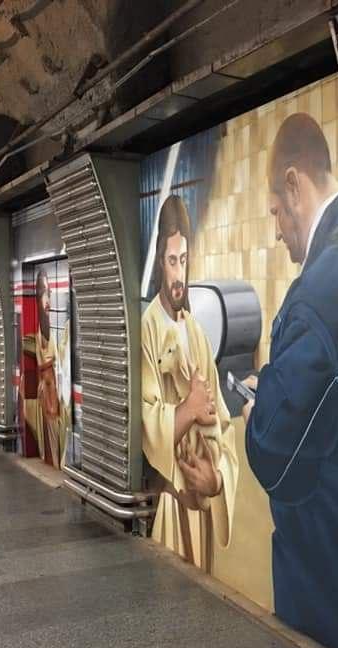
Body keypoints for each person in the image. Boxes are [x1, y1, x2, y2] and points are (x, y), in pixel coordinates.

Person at [242, 113, 338, 648]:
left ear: (295, 185)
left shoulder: (324, 289)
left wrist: (257, 413)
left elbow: (279, 455)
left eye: (276, 211)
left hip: (328, 575)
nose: (276, 230)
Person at [141, 195, 238, 572]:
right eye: (171, 261)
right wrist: (189, 409)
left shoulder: (196, 333)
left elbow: (224, 425)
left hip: (202, 516)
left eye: (184, 260)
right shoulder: (147, 329)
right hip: (170, 508)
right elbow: (146, 423)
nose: (179, 273)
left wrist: (216, 480)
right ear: (159, 262)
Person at [21, 269, 71, 467]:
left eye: (49, 293)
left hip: (59, 407)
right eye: (43, 293)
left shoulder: (60, 335)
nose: (47, 299)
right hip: (47, 408)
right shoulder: (36, 338)